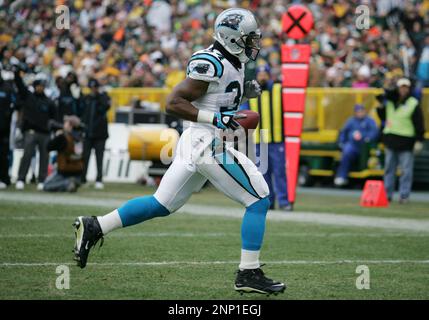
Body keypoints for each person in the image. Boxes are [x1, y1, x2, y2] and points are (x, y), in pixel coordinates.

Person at [72, 8, 286, 296]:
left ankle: (95, 225)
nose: (254, 44)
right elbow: (173, 102)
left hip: (196, 143)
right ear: (232, 38)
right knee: (259, 198)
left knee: (162, 204)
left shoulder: (232, 60)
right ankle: (248, 272)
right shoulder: (210, 62)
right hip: (206, 143)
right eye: (249, 39)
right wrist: (216, 119)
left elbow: (215, 96)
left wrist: (243, 92)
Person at [241, 64, 291, 211]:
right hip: (259, 140)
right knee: (263, 173)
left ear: (269, 75)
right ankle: (269, 201)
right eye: (260, 74)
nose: (262, 76)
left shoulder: (278, 89)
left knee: (280, 172)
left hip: (276, 139)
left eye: (265, 74)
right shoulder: (251, 93)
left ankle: (284, 202)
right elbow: (244, 113)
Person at [376, 78, 425, 203]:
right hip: (391, 139)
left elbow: (419, 123)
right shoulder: (391, 102)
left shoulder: (413, 103)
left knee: (406, 171)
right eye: (401, 87)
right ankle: (387, 194)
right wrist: (381, 105)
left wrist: (419, 140)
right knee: (389, 169)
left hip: (406, 141)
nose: (403, 89)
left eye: (406, 87)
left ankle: (404, 195)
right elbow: (382, 116)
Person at [14, 68, 57, 191]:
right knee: (27, 154)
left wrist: (52, 130)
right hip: (31, 131)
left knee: (44, 157)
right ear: (35, 86)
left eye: (42, 86)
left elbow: (54, 117)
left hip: (45, 133)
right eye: (38, 85)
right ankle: (21, 179)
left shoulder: (49, 102)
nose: (40, 88)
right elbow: (20, 85)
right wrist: (17, 73)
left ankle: (42, 180)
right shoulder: (28, 96)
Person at [334, 104, 379, 187]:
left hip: (365, 146)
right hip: (353, 145)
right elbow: (343, 132)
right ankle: (341, 176)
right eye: (358, 112)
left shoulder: (369, 121)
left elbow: (374, 132)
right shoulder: (351, 121)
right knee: (347, 151)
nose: (360, 113)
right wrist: (342, 143)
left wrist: (364, 136)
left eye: (362, 111)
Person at [81, 78, 110, 189]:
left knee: (99, 157)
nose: (93, 90)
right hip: (88, 133)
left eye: (94, 87)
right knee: (85, 157)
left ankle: (99, 179)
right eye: (91, 87)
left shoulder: (102, 97)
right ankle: (82, 178)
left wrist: (99, 96)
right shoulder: (86, 99)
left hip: (100, 134)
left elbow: (106, 106)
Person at [43, 116, 84, 193]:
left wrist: (56, 136)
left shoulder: (63, 137)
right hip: (78, 172)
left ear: (70, 125)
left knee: (46, 186)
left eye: (66, 123)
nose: (63, 124)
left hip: (65, 172)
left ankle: (67, 183)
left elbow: (48, 147)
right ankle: (73, 183)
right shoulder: (81, 137)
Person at [0, 72, 15, 189]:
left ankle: (4, 178)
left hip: (4, 128)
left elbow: (15, 104)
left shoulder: (7, 88)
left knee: (3, 154)